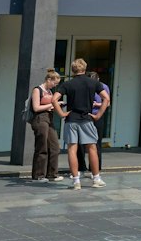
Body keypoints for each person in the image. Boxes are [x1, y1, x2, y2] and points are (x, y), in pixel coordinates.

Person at [56, 58, 104, 190]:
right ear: (85, 68)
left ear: (73, 69)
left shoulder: (68, 84)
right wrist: (98, 115)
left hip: (72, 119)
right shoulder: (93, 83)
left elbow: (55, 99)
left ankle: (76, 181)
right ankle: (96, 179)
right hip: (87, 118)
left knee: (72, 149)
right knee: (92, 148)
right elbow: (106, 98)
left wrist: (61, 113)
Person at [28, 69, 62, 182]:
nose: (54, 85)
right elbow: (36, 107)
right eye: (54, 83)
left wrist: (57, 105)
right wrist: (50, 105)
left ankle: (52, 174)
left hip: (49, 118)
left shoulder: (49, 92)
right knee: (41, 146)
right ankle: (38, 175)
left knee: (55, 146)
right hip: (40, 119)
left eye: (56, 84)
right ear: (48, 79)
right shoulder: (37, 90)